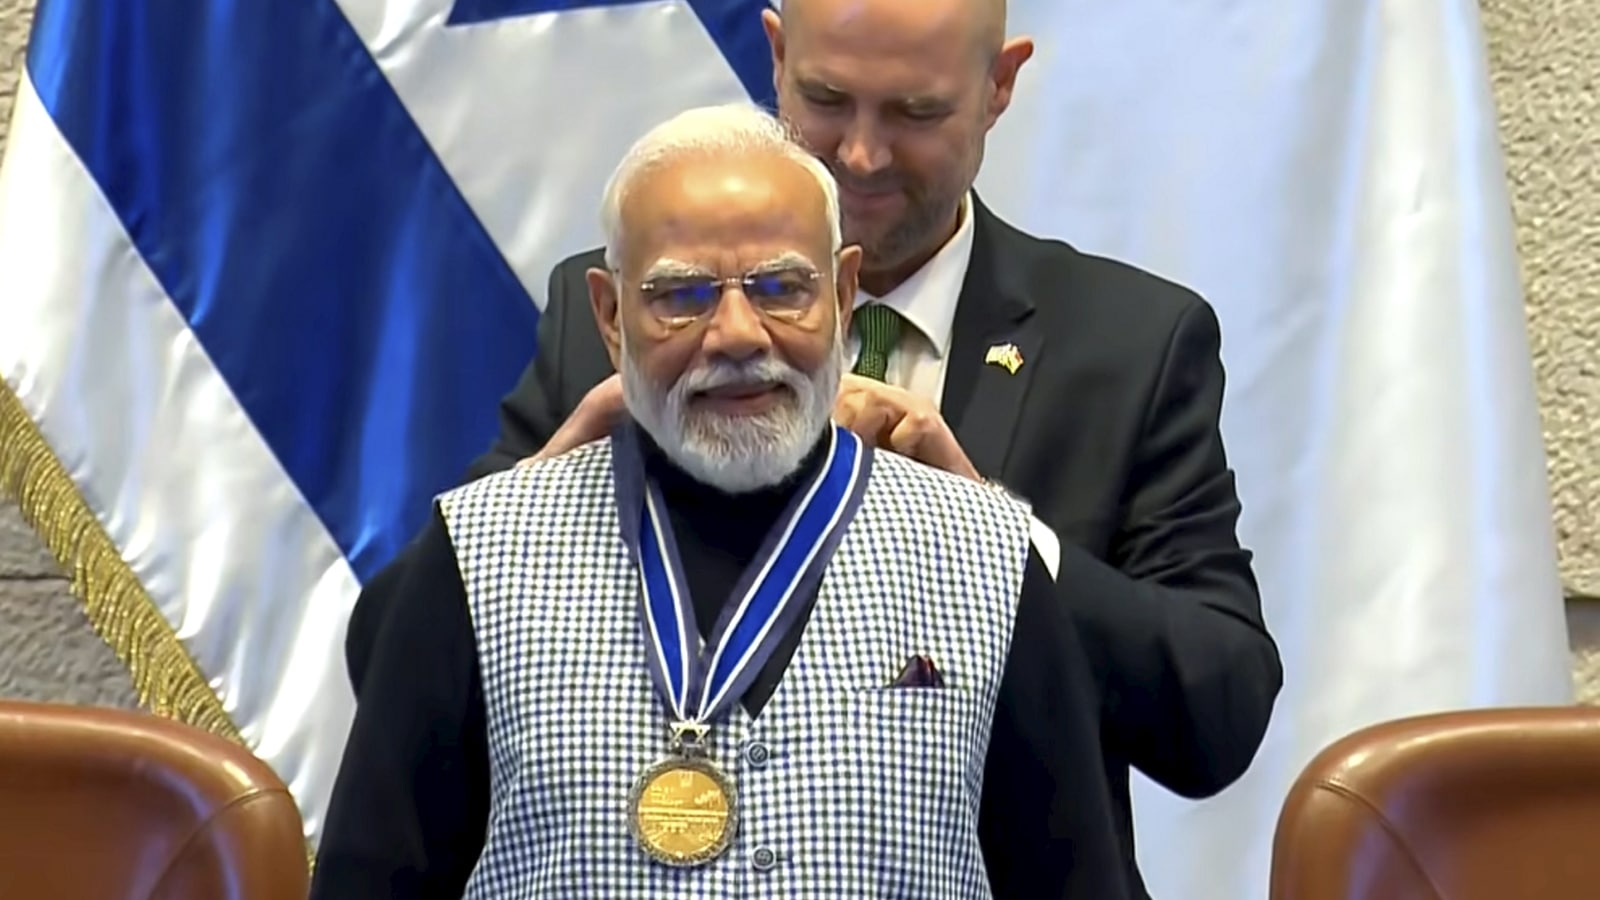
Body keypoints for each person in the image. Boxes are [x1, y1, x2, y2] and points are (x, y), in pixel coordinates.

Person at [346, 0, 1283, 894]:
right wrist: (542, 489)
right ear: (777, 57)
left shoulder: (1127, 344)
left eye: (915, 112)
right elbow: (389, 668)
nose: (861, 155)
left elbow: (1218, 718)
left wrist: (1002, 538)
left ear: (999, 85)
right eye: (827, 101)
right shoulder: (626, 318)